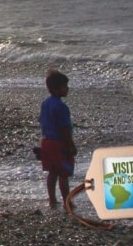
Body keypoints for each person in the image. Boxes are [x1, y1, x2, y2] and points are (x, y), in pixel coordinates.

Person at [38, 69, 76, 208]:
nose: (68, 89)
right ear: (56, 88)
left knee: (52, 171)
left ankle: (52, 199)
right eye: (65, 86)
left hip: (46, 142)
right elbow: (64, 128)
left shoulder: (45, 103)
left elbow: (41, 120)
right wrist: (71, 144)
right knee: (63, 173)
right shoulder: (62, 107)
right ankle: (67, 201)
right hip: (59, 143)